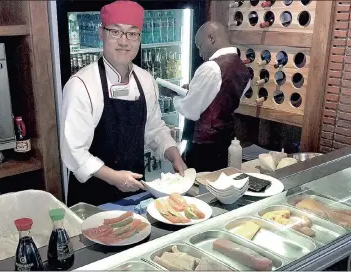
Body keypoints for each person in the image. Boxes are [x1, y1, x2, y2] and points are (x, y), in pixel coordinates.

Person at [61, 1, 187, 206]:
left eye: (132, 33)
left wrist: (173, 155)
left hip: (135, 192)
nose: (124, 41)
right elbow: (74, 152)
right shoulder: (81, 85)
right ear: (101, 33)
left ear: (139, 37)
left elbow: (154, 129)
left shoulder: (146, 80)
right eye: (115, 32)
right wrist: (114, 177)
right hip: (92, 198)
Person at [161, 21, 251, 172]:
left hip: (203, 146)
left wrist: (172, 95)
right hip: (225, 142)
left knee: (198, 188)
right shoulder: (244, 70)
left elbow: (190, 110)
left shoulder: (210, 67)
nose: (200, 52)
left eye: (199, 46)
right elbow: (222, 100)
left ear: (211, 38)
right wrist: (193, 92)